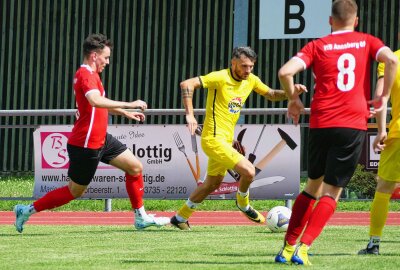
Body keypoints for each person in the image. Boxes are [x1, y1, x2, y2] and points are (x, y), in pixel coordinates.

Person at [274, 0, 398, 265]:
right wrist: (384, 96)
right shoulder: (366, 41)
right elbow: (391, 60)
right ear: (356, 21)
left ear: (330, 21)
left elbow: (285, 71)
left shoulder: (317, 45)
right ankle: (304, 249)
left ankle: (286, 248)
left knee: (311, 186)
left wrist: (293, 100)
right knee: (332, 192)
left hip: (320, 123)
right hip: (351, 123)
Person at [14, 33, 169, 232]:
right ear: (94, 55)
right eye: (106, 57)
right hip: (85, 145)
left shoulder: (94, 75)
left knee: (135, 167)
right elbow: (95, 101)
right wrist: (130, 103)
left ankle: (141, 217)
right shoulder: (85, 74)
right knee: (74, 192)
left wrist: (125, 113)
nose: (108, 61)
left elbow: (98, 105)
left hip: (101, 139)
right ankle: (26, 211)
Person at [170, 46, 307, 230]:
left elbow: (271, 94)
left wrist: (291, 92)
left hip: (225, 141)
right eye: (244, 66)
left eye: (251, 66)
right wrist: (190, 115)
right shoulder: (220, 77)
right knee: (249, 171)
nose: (248, 70)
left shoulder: (250, 80)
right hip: (212, 139)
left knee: (212, 184)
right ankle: (243, 204)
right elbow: (187, 84)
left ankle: (180, 218)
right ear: (233, 63)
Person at [358, 49, 400, 255]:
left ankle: (374, 243)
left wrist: (381, 129)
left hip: (399, 132)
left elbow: (380, 97)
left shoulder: (391, 59)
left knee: (384, 189)